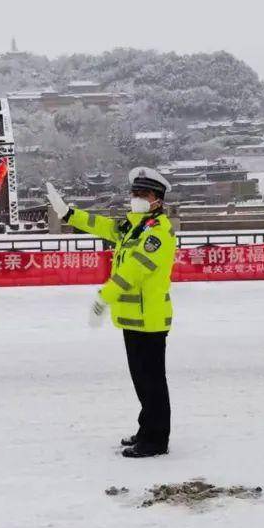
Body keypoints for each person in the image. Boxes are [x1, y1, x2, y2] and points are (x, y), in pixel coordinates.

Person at [47, 168, 176, 459]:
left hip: (150, 319)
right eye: (134, 194)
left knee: (153, 382)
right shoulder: (134, 227)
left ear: (157, 199)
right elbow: (102, 226)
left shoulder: (158, 232)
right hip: (133, 319)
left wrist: (104, 296)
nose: (136, 199)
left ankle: (157, 440)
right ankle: (146, 430)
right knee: (141, 381)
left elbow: (135, 270)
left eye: (142, 195)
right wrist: (69, 214)